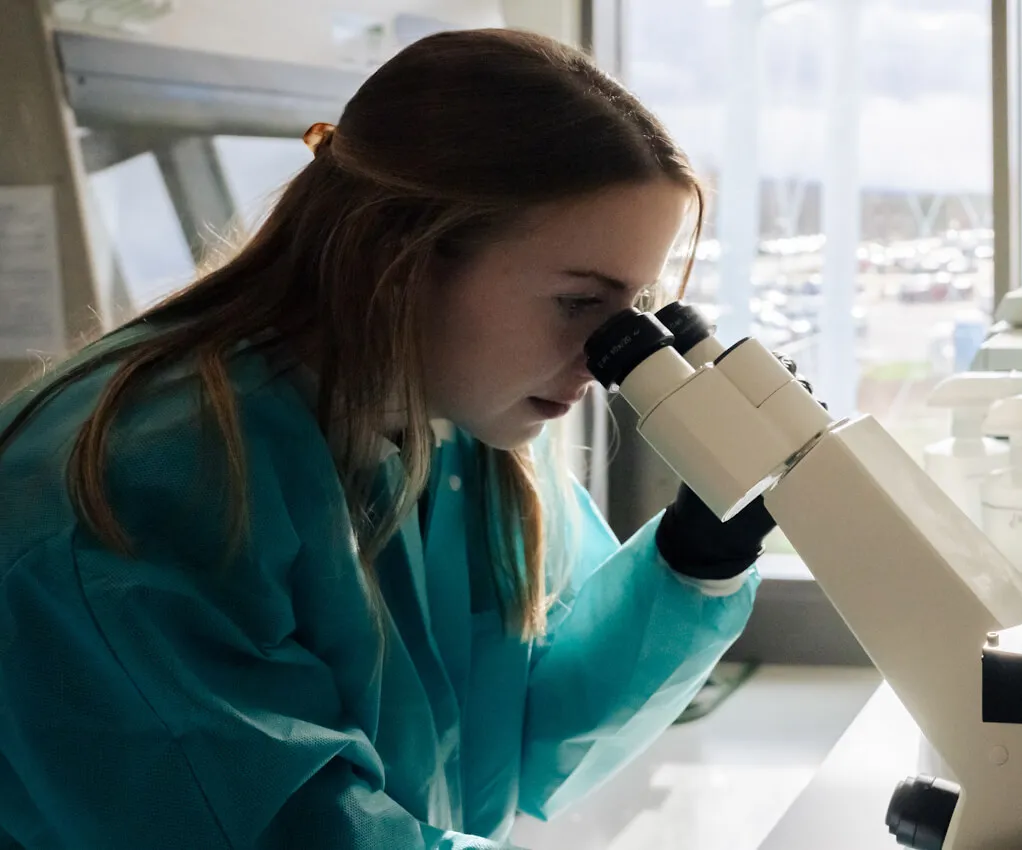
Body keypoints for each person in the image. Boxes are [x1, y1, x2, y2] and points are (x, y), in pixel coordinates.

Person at [0, 28, 792, 849]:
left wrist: (697, 561)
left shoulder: (453, 431)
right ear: (402, 255)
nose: (605, 359)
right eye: (579, 302)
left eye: (631, 311)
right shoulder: (134, 498)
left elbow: (521, 730)